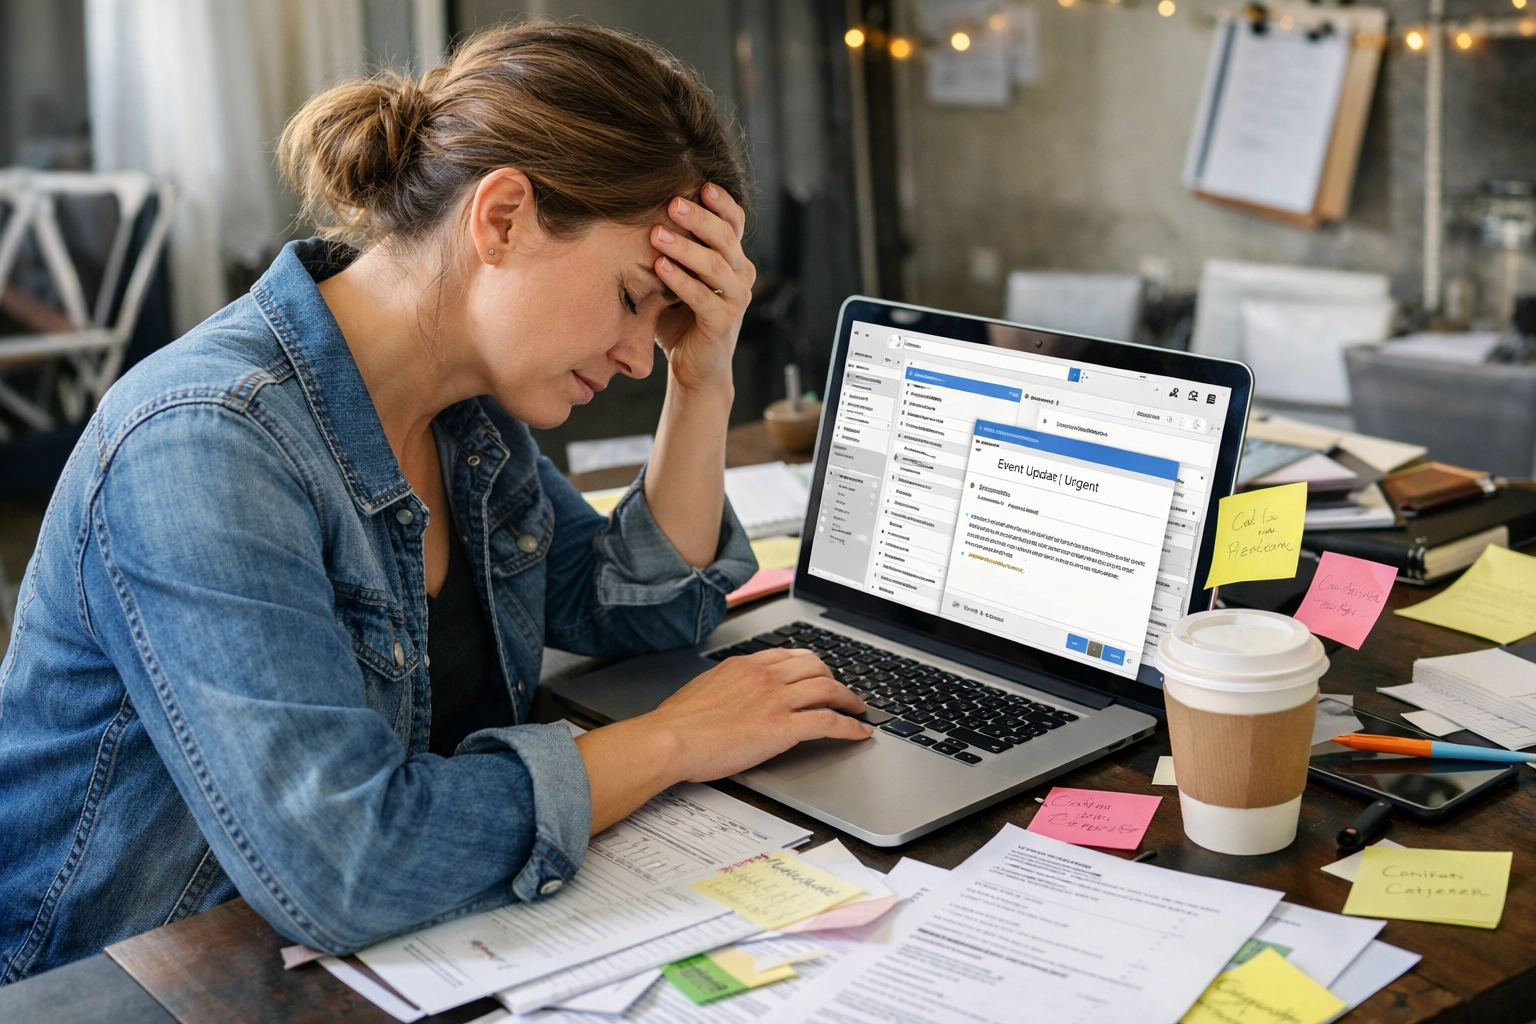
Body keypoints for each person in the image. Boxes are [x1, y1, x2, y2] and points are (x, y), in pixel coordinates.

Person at [0, 23, 872, 983]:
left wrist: (702, 383)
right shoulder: (207, 442)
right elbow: (344, 864)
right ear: (500, 218)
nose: (638, 355)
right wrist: (670, 742)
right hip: (126, 987)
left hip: (380, 965)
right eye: (633, 299)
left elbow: (639, 605)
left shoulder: (465, 418)